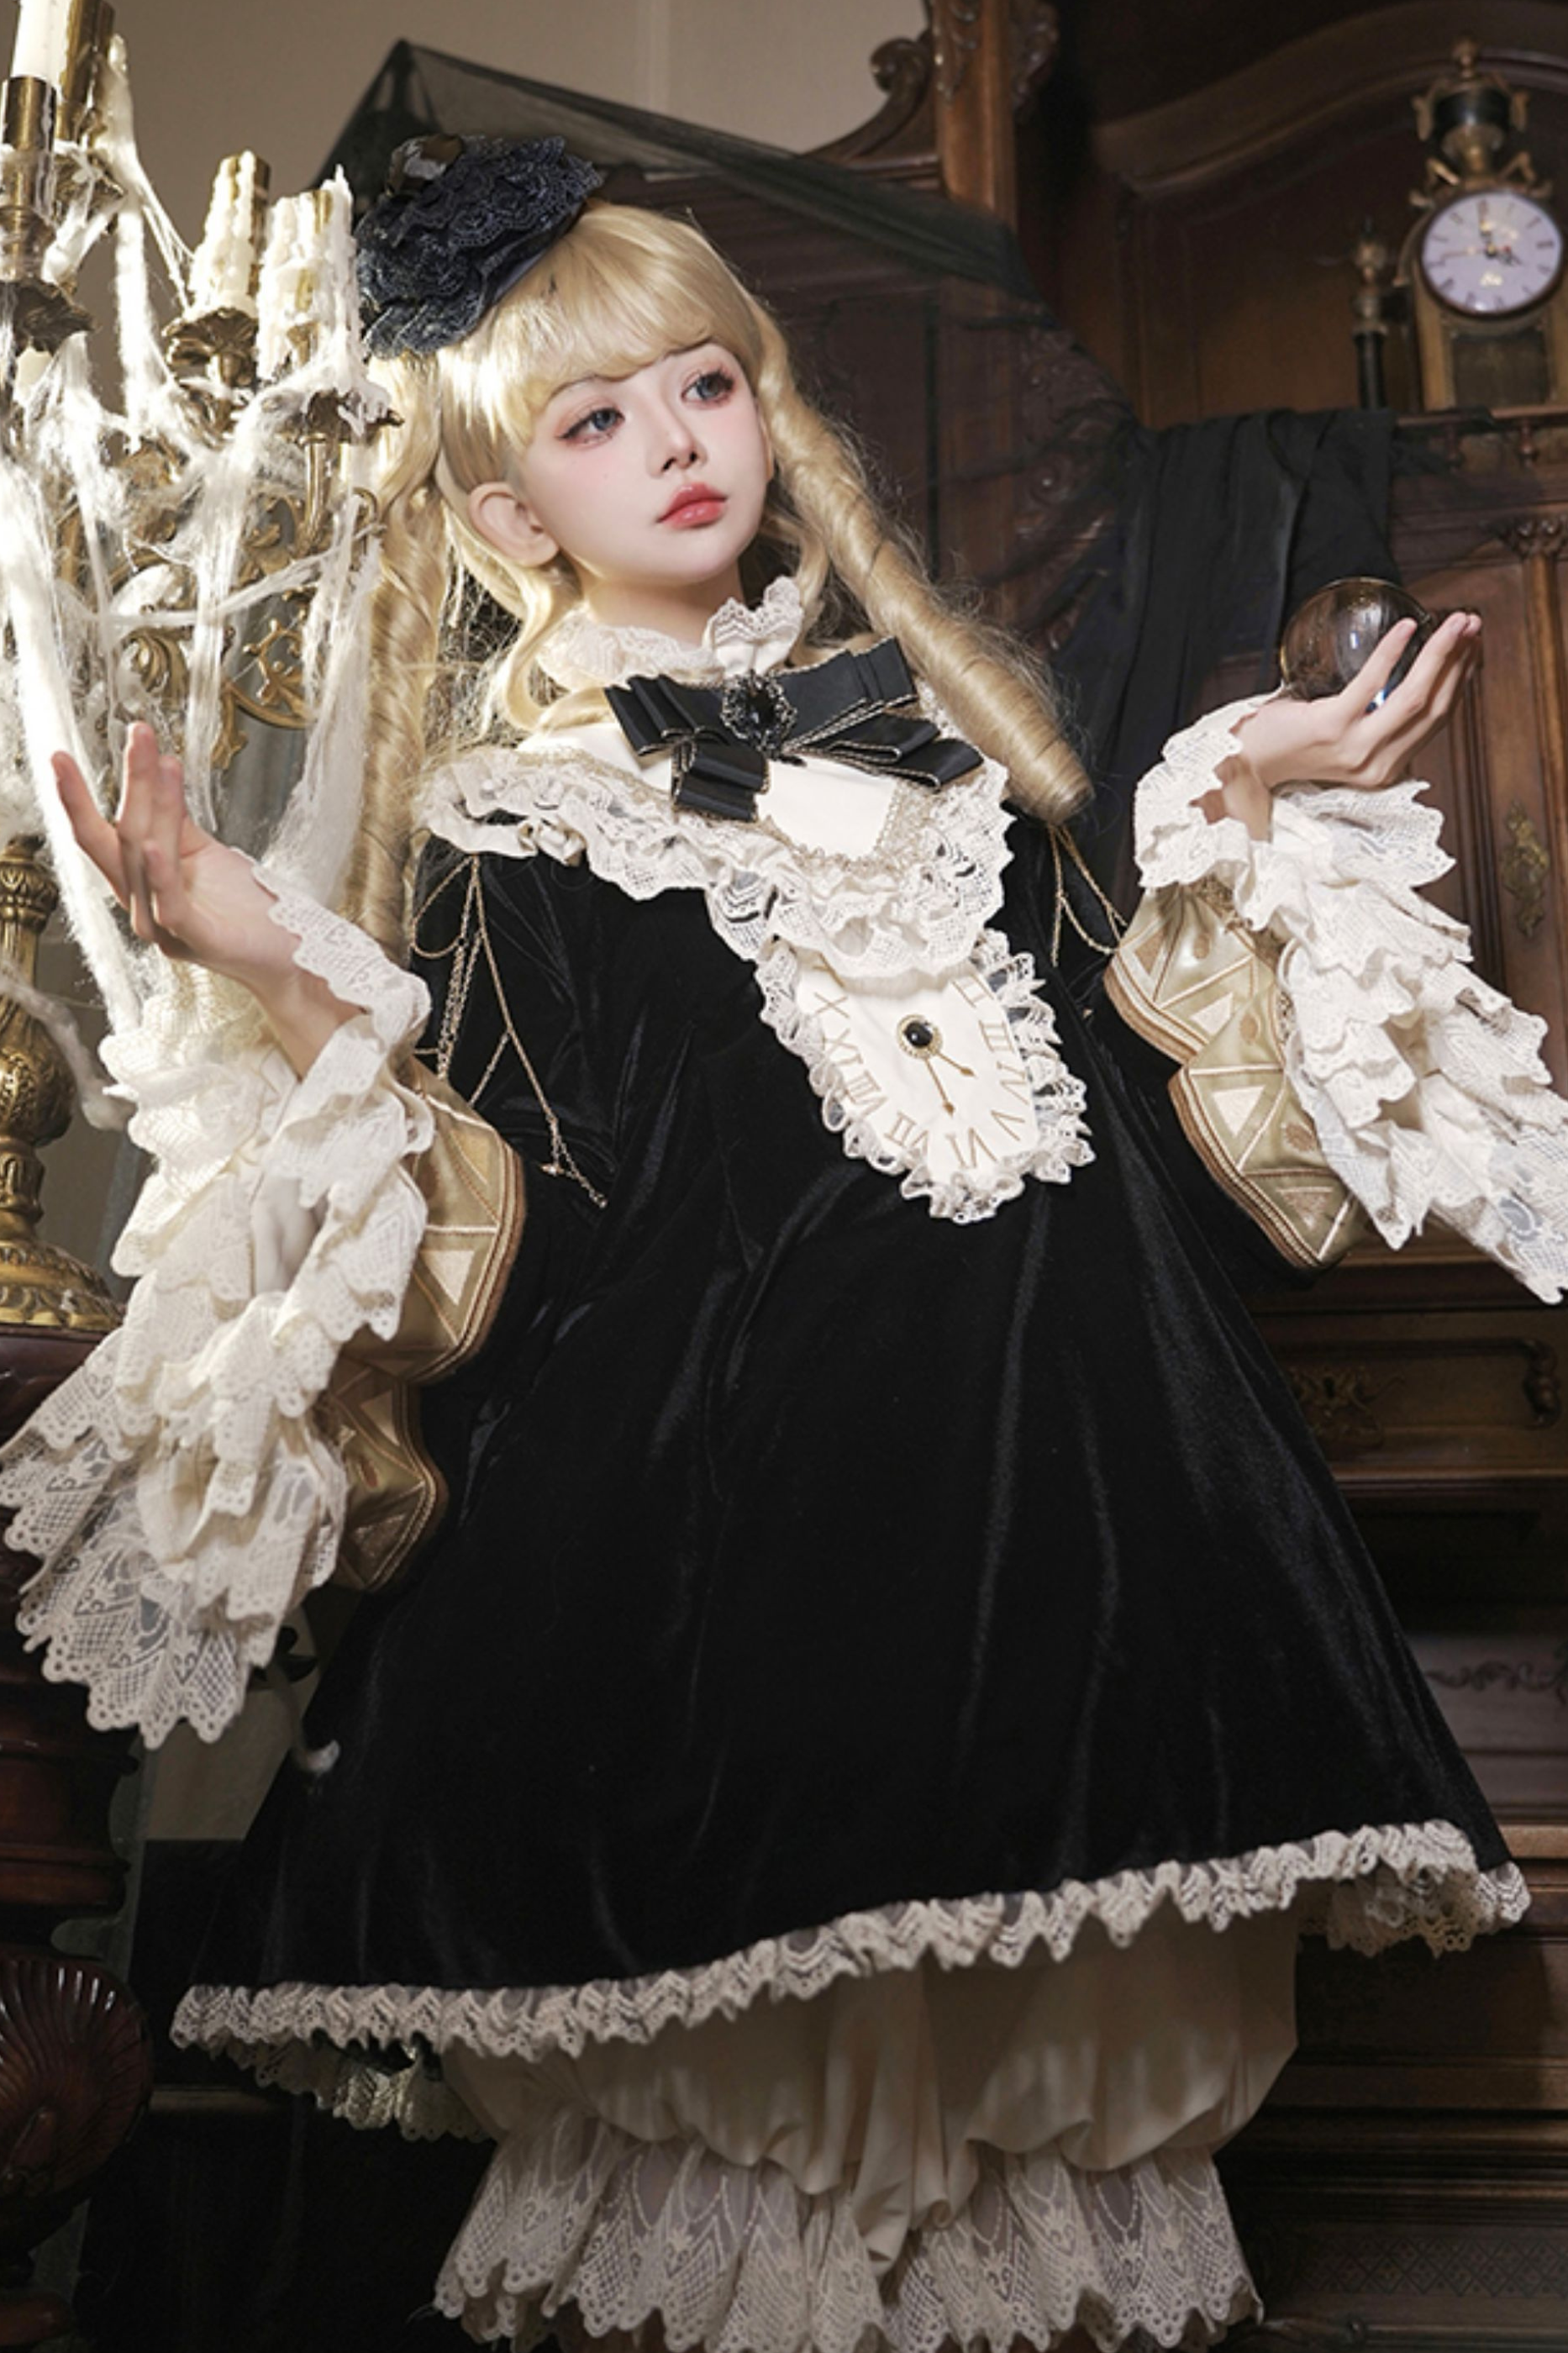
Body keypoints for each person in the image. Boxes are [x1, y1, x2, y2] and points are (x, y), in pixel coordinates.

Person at [4, 134, 1560, 2351]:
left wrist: (1238, 811)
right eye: (598, 417)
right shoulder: (504, 823)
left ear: (768, 399)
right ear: (508, 513)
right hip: (731, 1503)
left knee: (1052, 1954)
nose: (676, 443)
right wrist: (267, 955)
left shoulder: (948, 749)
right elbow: (497, 1187)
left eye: (705, 384)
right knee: (764, 1992)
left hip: (1066, 1473)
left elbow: (1125, 1088)